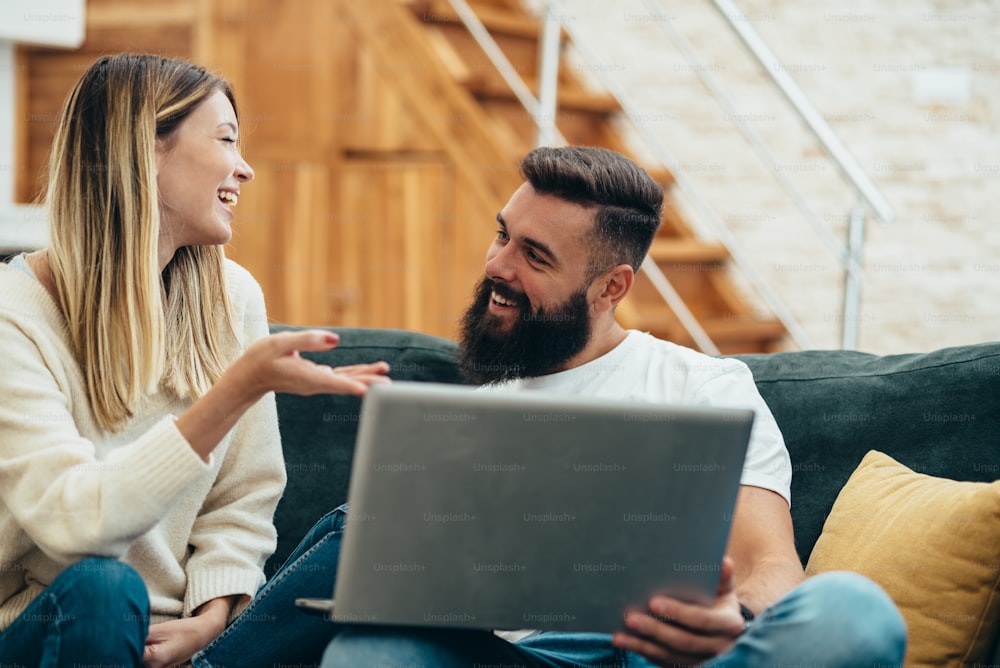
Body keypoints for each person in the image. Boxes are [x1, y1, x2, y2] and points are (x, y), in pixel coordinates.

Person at [317, 146, 907, 667]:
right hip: (520, 658)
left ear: (611, 288)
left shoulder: (702, 387)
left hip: (652, 654)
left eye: (535, 256)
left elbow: (773, 566)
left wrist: (734, 618)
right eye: (502, 235)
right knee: (367, 649)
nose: (498, 266)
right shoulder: (486, 408)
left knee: (853, 610)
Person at [0, 53, 390, 667]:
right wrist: (234, 391)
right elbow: (78, 522)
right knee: (106, 589)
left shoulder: (233, 299)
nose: (246, 167)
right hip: (52, 630)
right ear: (145, 150)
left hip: (190, 646)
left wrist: (210, 621)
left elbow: (242, 502)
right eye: (226, 139)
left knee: (364, 540)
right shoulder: (14, 316)